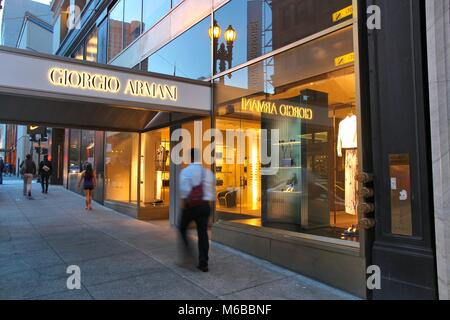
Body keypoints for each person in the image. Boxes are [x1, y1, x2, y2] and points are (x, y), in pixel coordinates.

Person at [179, 149, 215, 272]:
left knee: (182, 228)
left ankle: (189, 254)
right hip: (205, 206)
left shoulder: (185, 172)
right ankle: (203, 262)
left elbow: (184, 192)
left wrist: (186, 205)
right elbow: (211, 192)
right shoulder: (208, 173)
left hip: (191, 207)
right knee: (203, 233)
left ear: (190, 158)